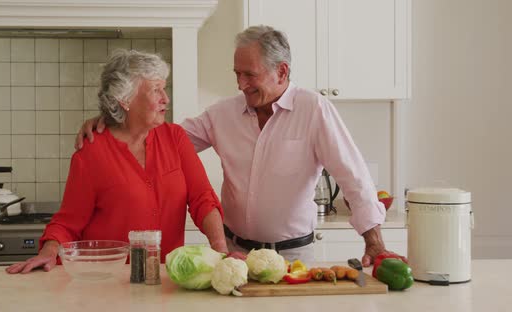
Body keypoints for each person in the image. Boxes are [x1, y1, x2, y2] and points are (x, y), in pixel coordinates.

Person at [75, 25, 395, 267]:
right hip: (235, 254)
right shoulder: (223, 113)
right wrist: (112, 118)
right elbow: (157, 139)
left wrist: (375, 243)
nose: (240, 84)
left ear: (281, 71)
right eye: (237, 74)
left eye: (249, 75)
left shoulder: (314, 110)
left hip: (294, 254)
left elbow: (354, 176)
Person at [6, 49, 228, 274]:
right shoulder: (91, 153)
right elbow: (68, 223)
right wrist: (48, 252)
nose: (165, 98)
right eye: (155, 90)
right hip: (105, 280)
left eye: (165, 88)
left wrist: (222, 253)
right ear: (125, 100)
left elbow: (203, 200)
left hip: (162, 280)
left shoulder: (175, 138)